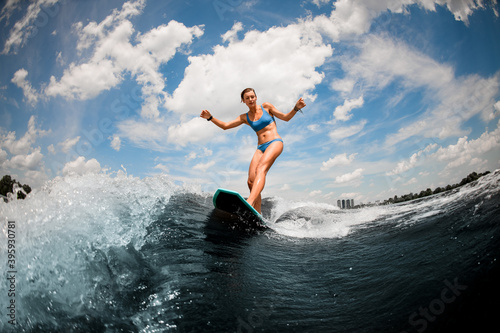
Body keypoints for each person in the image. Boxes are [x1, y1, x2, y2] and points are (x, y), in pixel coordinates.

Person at [200, 88, 306, 214]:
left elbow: (285, 117)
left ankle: (249, 202)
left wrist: (296, 108)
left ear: (256, 97)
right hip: (260, 148)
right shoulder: (245, 117)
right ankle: (257, 212)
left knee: (261, 169)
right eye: (247, 98)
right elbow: (225, 126)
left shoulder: (266, 107)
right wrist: (210, 117)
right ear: (243, 101)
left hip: (275, 142)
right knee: (250, 181)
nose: (250, 99)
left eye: (252, 97)